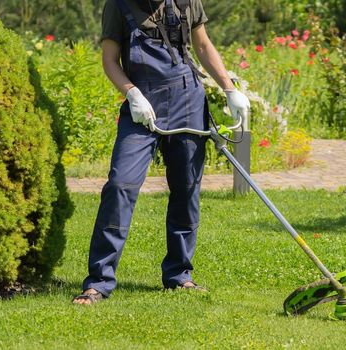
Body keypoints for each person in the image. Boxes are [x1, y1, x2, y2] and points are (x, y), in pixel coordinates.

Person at [73, 0, 250, 304]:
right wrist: (132, 94)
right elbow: (110, 60)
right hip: (142, 102)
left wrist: (229, 88)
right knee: (120, 184)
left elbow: (203, 44)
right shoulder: (119, 5)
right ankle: (98, 282)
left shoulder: (186, 1)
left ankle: (179, 275)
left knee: (186, 188)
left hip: (187, 99)